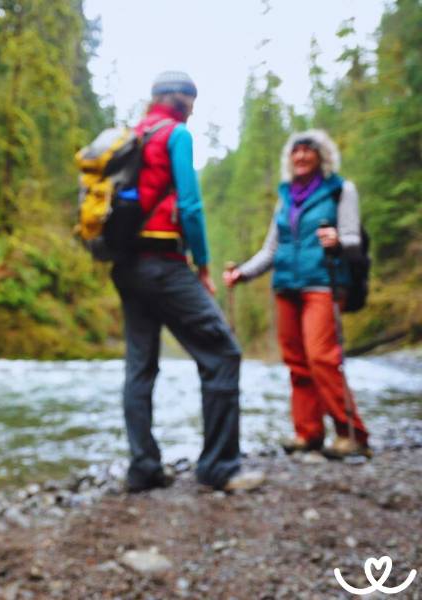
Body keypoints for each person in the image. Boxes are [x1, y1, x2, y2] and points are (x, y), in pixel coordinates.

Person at [112, 71, 264, 492]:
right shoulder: (175, 135)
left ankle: (143, 468)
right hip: (164, 262)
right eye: (192, 100)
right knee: (222, 354)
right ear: (181, 101)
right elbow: (192, 206)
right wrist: (202, 264)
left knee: (139, 367)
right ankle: (219, 467)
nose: (194, 108)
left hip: (126, 266)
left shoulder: (132, 135)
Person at [224, 130, 371, 459]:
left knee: (322, 358)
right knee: (296, 363)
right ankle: (309, 433)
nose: (301, 156)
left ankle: (352, 434)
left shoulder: (340, 190)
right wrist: (242, 273)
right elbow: (271, 249)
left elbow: (353, 240)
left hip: (323, 283)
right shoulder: (286, 196)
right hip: (286, 286)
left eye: (308, 151)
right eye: (296, 151)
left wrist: (336, 239)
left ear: (322, 156)